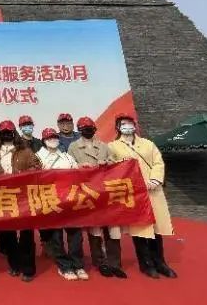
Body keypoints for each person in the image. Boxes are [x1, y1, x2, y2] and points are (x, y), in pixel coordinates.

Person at [108, 113, 177, 279]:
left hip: (152, 191)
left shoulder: (148, 144)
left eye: (130, 123)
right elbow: (112, 168)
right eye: (123, 123)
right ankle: (146, 264)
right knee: (139, 229)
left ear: (134, 125)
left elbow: (158, 163)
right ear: (118, 127)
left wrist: (155, 179)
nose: (127, 126)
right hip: (133, 193)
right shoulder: (112, 147)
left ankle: (160, 262)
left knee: (156, 228)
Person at [68, 117, 126, 278]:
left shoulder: (104, 146)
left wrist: (106, 162)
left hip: (106, 192)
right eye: (84, 128)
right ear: (80, 130)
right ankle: (100, 262)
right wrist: (80, 167)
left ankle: (115, 263)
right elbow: (69, 169)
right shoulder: (73, 147)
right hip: (89, 192)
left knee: (113, 229)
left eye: (90, 128)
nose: (88, 131)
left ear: (94, 129)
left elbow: (115, 163)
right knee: (95, 229)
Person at [37, 128, 89, 281]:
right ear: (44, 141)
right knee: (56, 237)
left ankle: (78, 264)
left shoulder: (67, 156)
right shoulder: (38, 157)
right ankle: (64, 266)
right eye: (49, 138)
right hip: (51, 200)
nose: (52, 140)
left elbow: (77, 173)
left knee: (75, 235)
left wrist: (84, 168)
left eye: (54, 137)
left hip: (70, 200)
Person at [0, 121, 42, 282]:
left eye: (10, 131)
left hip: (23, 196)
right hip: (4, 196)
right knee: (8, 235)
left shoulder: (25, 150)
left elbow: (37, 166)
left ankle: (28, 269)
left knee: (26, 234)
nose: (7, 134)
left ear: (14, 133)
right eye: (3, 132)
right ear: (0, 134)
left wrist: (23, 173)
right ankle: (14, 265)